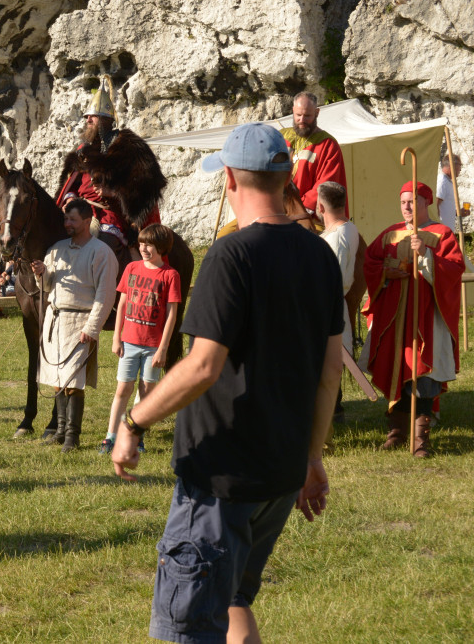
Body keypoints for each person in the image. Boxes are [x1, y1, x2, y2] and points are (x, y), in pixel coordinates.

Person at [112, 122, 343, 643]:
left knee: (187, 627)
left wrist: (134, 422)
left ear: (232, 179)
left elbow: (202, 365)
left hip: (221, 476)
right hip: (280, 473)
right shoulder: (320, 256)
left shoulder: (231, 255)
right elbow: (331, 372)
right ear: (286, 178)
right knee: (234, 600)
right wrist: (311, 457)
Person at [360, 180, 463, 457]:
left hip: (427, 319)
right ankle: (397, 431)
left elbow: (454, 269)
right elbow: (370, 263)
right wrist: (385, 272)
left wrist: (427, 253)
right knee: (398, 371)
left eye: (412, 202)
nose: (406, 207)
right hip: (395, 320)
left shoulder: (442, 234)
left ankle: (421, 441)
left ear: (425, 203)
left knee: (424, 372)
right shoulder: (389, 234)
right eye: (403, 201)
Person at [30, 199, 118, 452]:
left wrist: (92, 328)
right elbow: (47, 287)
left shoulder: (101, 252)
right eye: (66, 219)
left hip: (80, 321)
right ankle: (59, 430)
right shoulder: (56, 249)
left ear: (87, 221)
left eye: (72, 220)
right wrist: (41, 273)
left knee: (74, 380)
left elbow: (105, 294)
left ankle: (72, 436)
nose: (67, 224)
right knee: (58, 378)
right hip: (56, 320)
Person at [56, 75, 166, 265]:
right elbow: (70, 183)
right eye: (87, 117)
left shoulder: (128, 145)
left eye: (92, 116)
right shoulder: (83, 149)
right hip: (77, 213)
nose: (87, 119)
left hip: (111, 215)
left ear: (106, 119)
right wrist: (70, 197)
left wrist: (113, 192)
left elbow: (147, 184)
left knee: (102, 244)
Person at [100, 223, 182, 455]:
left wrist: (163, 348)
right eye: (142, 244)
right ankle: (110, 437)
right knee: (122, 390)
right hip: (130, 342)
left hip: (153, 346)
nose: (144, 248)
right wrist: (117, 337)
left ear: (162, 247)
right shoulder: (132, 268)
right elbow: (123, 303)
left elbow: (172, 313)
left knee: (146, 394)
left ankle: (135, 436)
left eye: (150, 245)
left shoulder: (170, 275)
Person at [316, 181, 360, 424]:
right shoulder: (345, 230)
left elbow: (335, 281)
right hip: (329, 307)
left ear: (320, 206)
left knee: (326, 366)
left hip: (327, 309)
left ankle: (331, 418)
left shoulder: (338, 237)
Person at [279, 92, 348, 215]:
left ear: (317, 113)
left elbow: (326, 183)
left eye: (307, 116)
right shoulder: (280, 137)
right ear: (293, 110)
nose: (302, 120)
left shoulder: (328, 145)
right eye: (298, 115)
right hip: (275, 208)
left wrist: (297, 208)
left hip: (306, 214)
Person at [436, 153, 467, 232]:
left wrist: (458, 212)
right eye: (460, 165)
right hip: (442, 231)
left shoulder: (447, 181)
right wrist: (438, 227)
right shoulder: (442, 181)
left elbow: (445, 209)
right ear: (453, 165)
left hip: (447, 231)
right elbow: (435, 204)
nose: (460, 169)